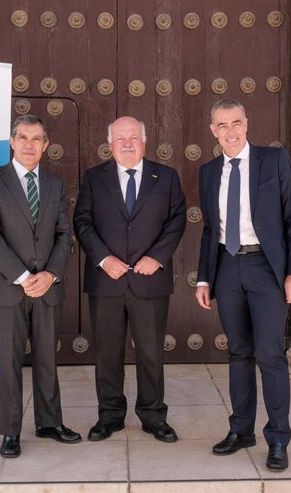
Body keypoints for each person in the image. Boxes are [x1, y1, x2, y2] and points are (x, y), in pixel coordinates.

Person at [195, 99, 291, 471]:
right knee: (238, 352)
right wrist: (204, 276)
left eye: (236, 123)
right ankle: (241, 429)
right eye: (222, 125)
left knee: (270, 355)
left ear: (247, 123)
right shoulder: (209, 172)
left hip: (265, 267)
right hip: (227, 268)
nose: (230, 131)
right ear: (213, 130)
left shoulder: (273, 161)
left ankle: (278, 439)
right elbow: (210, 229)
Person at [73, 116, 186, 443]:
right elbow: (82, 221)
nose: (126, 143)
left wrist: (157, 257)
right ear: (109, 144)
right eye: (120, 138)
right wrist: (103, 259)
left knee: (151, 352)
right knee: (106, 354)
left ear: (145, 141)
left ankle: (153, 416)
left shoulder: (165, 177)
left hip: (150, 282)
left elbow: (177, 221)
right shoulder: (94, 178)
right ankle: (109, 416)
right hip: (106, 281)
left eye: (133, 137)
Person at [0, 114, 81, 458]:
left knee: (48, 358)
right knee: (9, 362)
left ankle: (49, 423)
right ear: (11, 141)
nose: (29, 145)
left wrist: (49, 275)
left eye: (37, 139)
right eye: (22, 137)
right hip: (7, 289)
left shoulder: (54, 184)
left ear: (46, 145)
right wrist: (24, 278)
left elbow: (65, 234)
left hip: (48, 287)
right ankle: (10, 431)